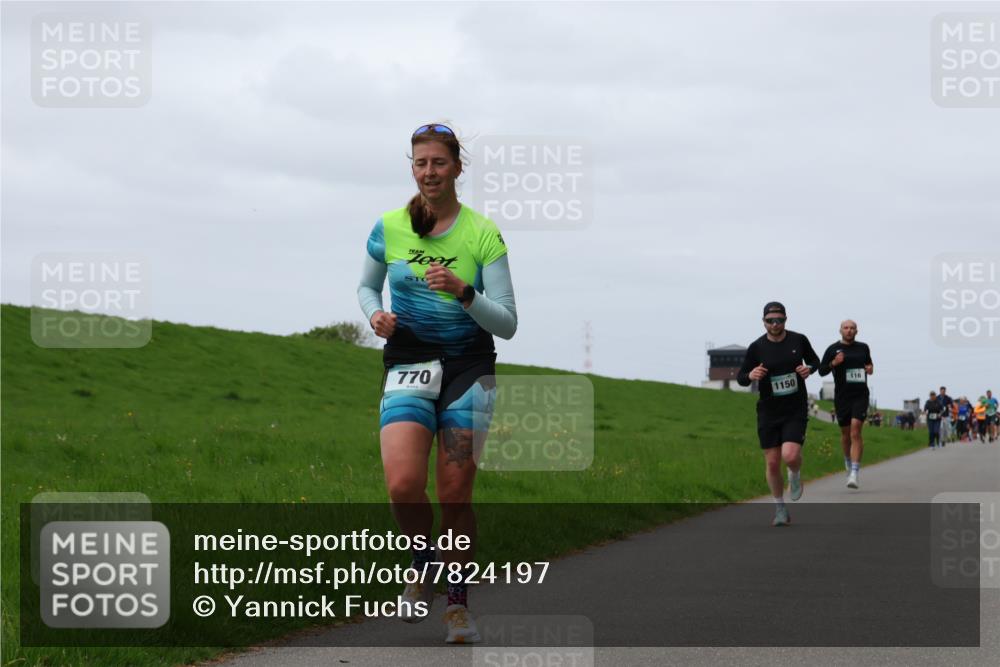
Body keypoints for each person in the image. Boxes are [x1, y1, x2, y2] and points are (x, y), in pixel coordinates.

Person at [357, 123, 517, 643]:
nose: (429, 172)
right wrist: (375, 315)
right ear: (412, 167)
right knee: (403, 485)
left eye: (439, 163)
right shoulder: (389, 226)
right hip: (408, 363)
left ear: (457, 169)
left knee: (454, 494)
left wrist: (465, 292)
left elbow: (509, 323)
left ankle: (457, 605)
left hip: (469, 369)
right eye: (420, 163)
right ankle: (424, 564)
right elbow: (365, 285)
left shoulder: (482, 234)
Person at [737, 302, 820, 526]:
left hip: (795, 408)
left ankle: (794, 474)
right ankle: (780, 508)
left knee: (790, 456)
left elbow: (815, 361)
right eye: (770, 320)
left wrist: (808, 369)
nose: (775, 324)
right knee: (772, 463)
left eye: (779, 320)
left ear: (786, 320)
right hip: (768, 410)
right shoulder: (757, 347)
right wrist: (752, 374)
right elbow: (741, 377)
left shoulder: (798, 340)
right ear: (763, 322)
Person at [818, 319, 873, 489]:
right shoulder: (832, 349)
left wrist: (870, 369)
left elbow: (869, 365)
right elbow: (821, 371)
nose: (849, 330)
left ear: (857, 331)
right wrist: (834, 363)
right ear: (840, 330)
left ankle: (855, 473)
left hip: (861, 395)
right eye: (846, 328)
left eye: (852, 328)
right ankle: (848, 461)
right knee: (846, 434)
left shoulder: (863, 347)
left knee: (856, 430)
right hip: (842, 397)